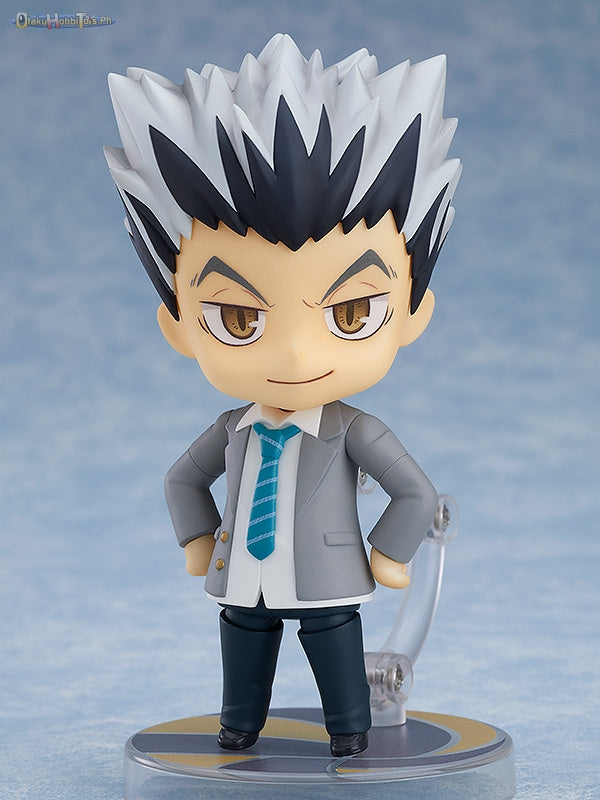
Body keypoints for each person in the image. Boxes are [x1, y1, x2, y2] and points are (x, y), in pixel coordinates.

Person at [105, 33, 461, 757]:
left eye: (350, 313)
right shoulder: (231, 426)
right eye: (240, 319)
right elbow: (181, 478)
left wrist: (389, 553)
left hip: (329, 576)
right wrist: (198, 539)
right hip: (243, 575)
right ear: (178, 324)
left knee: (334, 645)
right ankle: (239, 724)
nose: (296, 354)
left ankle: (350, 729)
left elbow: (415, 493)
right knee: (243, 642)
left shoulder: (355, 429)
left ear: (412, 312)